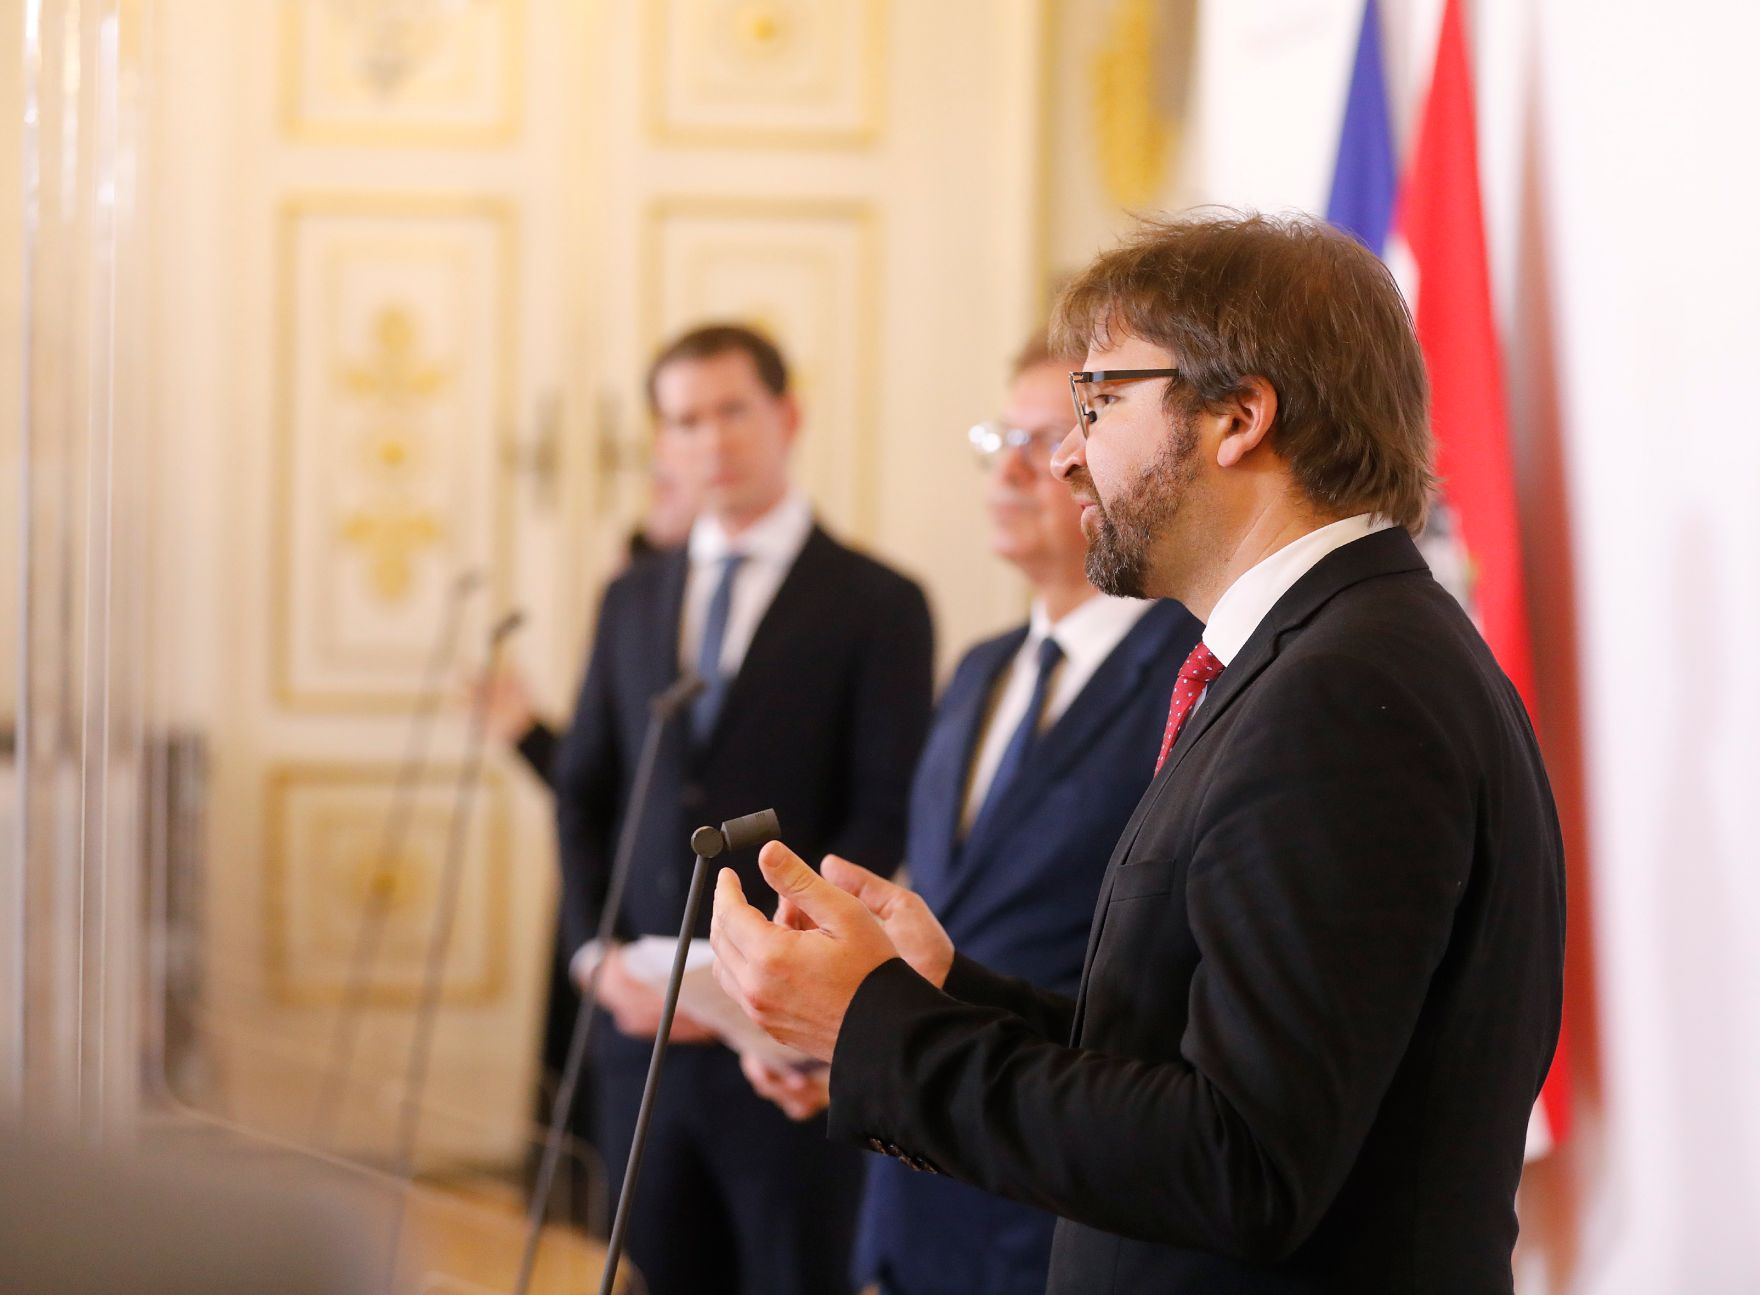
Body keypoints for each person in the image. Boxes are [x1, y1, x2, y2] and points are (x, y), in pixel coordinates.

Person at [708, 214, 1566, 1294]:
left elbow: (1238, 1160)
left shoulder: (1339, 692)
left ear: (1239, 417)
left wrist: (871, 1026)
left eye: (1099, 401)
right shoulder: (1317, 655)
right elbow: (1191, 1056)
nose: (1065, 454)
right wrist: (935, 994)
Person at [740, 333, 1200, 1295]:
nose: (1013, 472)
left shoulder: (1193, 672)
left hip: (1061, 1198)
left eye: (1047, 438)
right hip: (918, 1192)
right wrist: (853, 1043)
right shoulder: (980, 669)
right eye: (999, 440)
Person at [554, 322, 935, 1295]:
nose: (711, 439)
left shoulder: (878, 600)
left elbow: (883, 806)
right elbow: (585, 786)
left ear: (787, 415)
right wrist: (594, 955)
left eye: (733, 410)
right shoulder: (630, 596)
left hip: (780, 1036)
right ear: (661, 443)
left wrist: (760, 971)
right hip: (636, 1034)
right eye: (684, 420)